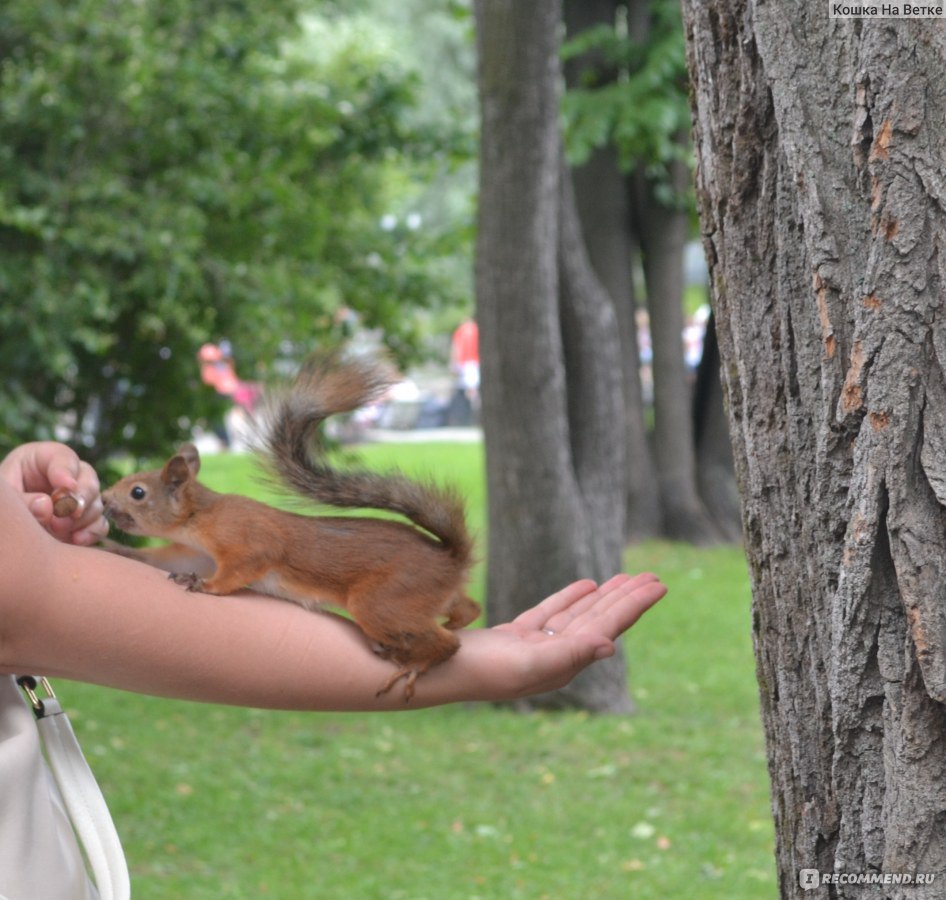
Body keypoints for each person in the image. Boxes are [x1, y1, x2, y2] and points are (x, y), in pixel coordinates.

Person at [0, 441, 666, 897]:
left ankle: (440, 642)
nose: (122, 504)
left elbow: (237, 568)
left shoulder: (229, 525)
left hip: (372, 578)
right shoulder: (202, 530)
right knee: (382, 608)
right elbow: (64, 592)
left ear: (182, 491)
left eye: (137, 496)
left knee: (375, 616)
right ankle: (445, 615)